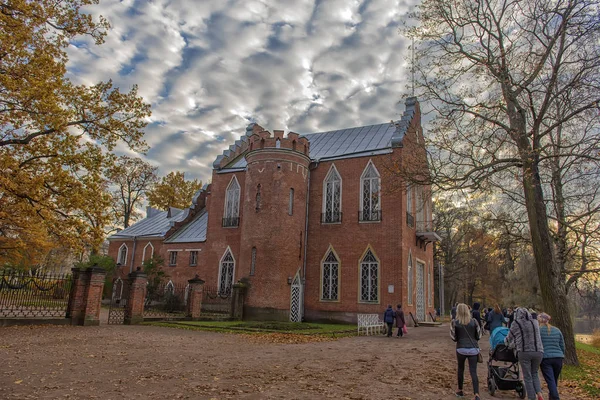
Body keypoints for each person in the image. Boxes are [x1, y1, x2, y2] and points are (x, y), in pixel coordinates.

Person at [505, 307, 544, 400]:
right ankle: (539, 394)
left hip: (524, 351)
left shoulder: (516, 323)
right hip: (538, 351)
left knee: (527, 376)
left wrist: (506, 343)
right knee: (534, 373)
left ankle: (531, 398)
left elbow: (509, 338)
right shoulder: (534, 322)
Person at [450, 303, 482, 400]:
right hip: (473, 349)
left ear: (458, 311)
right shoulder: (474, 321)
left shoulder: (455, 322)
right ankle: (476, 394)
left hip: (461, 349)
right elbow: (479, 336)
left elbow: (453, 337)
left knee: (460, 369)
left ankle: (460, 390)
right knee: (473, 371)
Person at [538, 313, 565, 400]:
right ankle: (552, 397)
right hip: (558, 358)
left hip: (546, 359)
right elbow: (562, 345)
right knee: (553, 381)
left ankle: (556, 398)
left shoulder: (538, 330)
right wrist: (562, 356)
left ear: (540, 320)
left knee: (551, 381)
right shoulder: (557, 330)